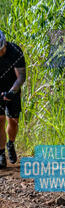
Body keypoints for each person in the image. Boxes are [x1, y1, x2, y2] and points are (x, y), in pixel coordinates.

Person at [0, 30, 26, 168]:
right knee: (0, 119)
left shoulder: (15, 51)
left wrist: (11, 92)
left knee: (13, 121)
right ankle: (1, 153)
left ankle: (10, 143)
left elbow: (21, 76)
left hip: (12, 86)